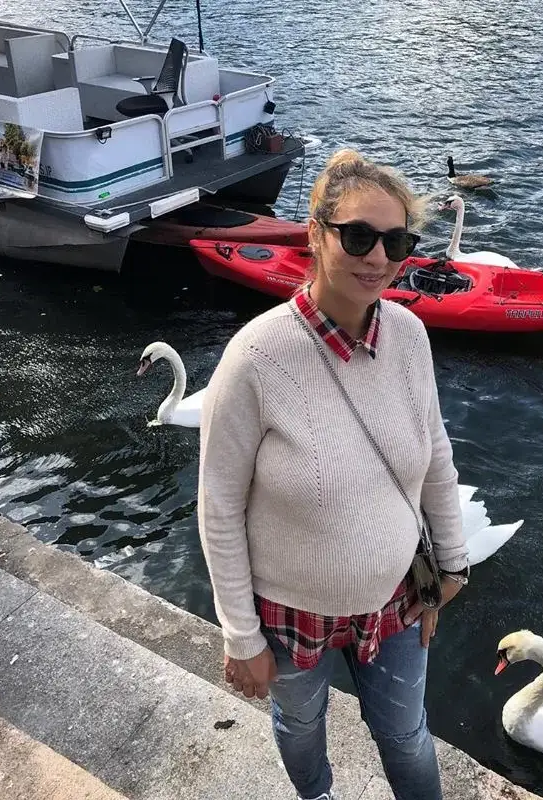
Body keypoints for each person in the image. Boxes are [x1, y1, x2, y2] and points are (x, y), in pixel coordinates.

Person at [198, 148, 470, 800]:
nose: (378, 257)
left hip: (399, 594)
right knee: (300, 724)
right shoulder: (255, 356)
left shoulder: (409, 335)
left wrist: (452, 566)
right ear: (316, 234)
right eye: (358, 236)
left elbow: (434, 454)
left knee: (407, 735)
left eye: (396, 241)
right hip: (290, 612)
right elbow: (219, 505)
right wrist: (241, 635)